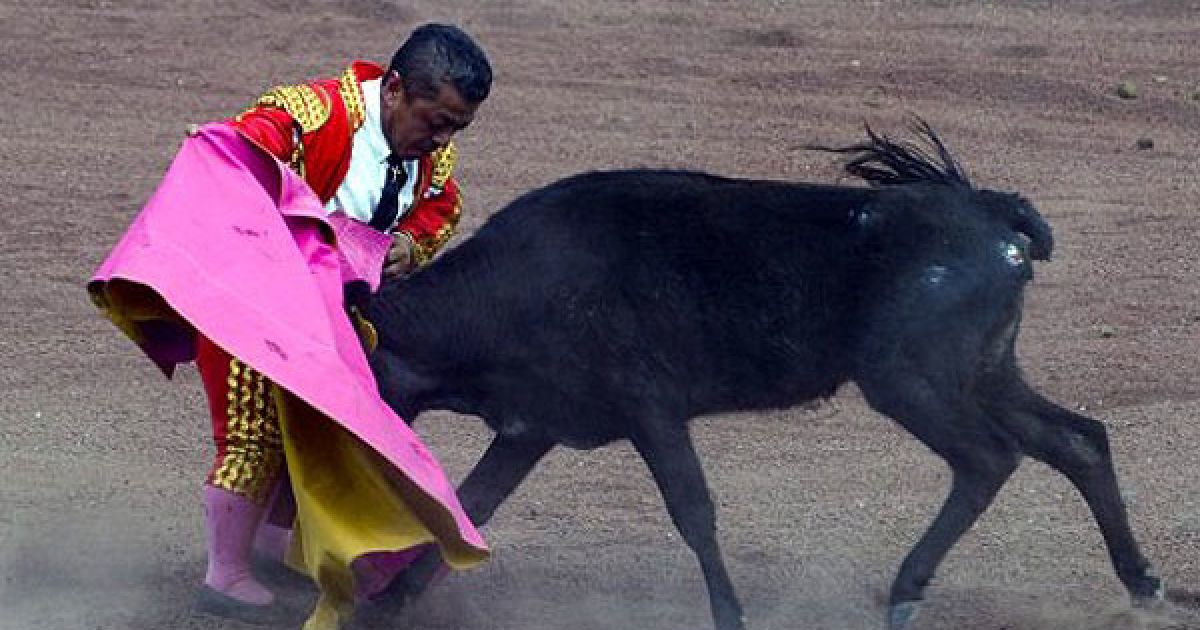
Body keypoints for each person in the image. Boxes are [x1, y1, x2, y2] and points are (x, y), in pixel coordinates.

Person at [88, 23, 493, 629]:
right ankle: (224, 573)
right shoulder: (309, 114)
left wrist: (411, 241)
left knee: (321, 424)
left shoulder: (430, 156)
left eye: (455, 127)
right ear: (394, 90)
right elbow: (240, 155)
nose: (441, 139)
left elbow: (442, 203)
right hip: (253, 297)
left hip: (332, 316)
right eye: (434, 120)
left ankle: (272, 542)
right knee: (254, 431)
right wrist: (225, 148)